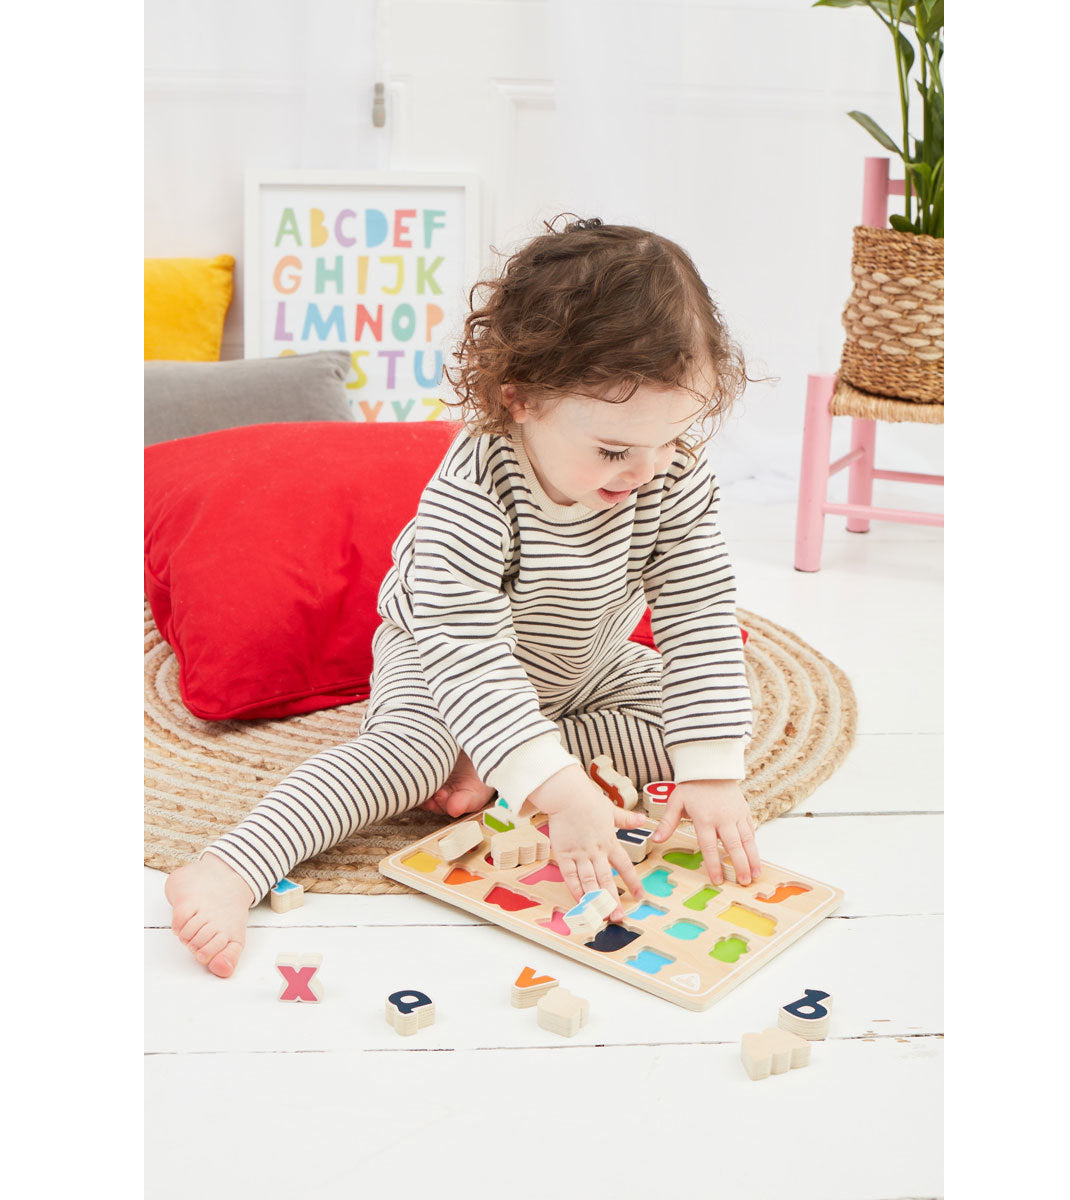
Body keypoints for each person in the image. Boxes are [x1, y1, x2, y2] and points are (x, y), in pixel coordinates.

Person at [165, 216, 759, 978]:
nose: (644, 470)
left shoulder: (666, 473)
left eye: (671, 439)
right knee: (407, 757)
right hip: (443, 666)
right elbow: (469, 654)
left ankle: (506, 760)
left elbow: (700, 610)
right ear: (521, 400)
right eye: (613, 450)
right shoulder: (475, 492)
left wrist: (710, 771)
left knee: (706, 727)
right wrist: (560, 795)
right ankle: (230, 865)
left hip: (585, 667)